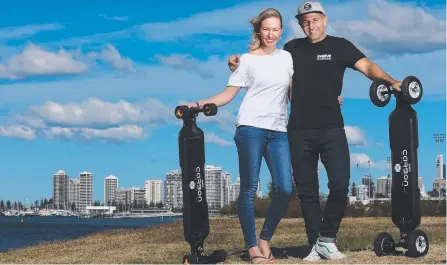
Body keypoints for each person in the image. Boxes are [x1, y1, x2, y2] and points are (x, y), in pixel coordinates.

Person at [228, 1, 402, 261]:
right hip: (298, 131)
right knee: (307, 192)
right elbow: (264, 62)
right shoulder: (291, 49)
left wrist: (390, 81)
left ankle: (327, 239)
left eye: (315, 20)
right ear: (300, 25)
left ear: (325, 19)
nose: (311, 25)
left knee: (341, 185)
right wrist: (236, 61)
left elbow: (367, 67)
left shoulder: (340, 45)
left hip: (332, 128)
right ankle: (314, 245)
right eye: (305, 22)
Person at [184, 8, 293, 264]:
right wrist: (197, 104)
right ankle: (253, 249)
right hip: (250, 128)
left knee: (285, 188)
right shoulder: (246, 60)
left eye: (275, 29)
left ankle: (265, 238)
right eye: (266, 28)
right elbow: (227, 95)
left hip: (279, 130)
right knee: (249, 190)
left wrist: (328, 101)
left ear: (281, 31)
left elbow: (293, 94)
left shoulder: (287, 58)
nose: (270, 34)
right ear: (259, 30)